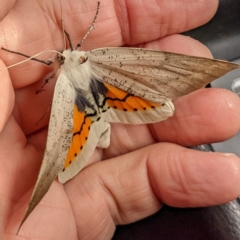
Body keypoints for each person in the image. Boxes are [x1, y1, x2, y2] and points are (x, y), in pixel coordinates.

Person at [0, 0, 240, 239]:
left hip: (86, 104)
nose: (63, 55)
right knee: (55, 159)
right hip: (112, 96)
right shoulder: (85, 64)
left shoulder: (64, 77)